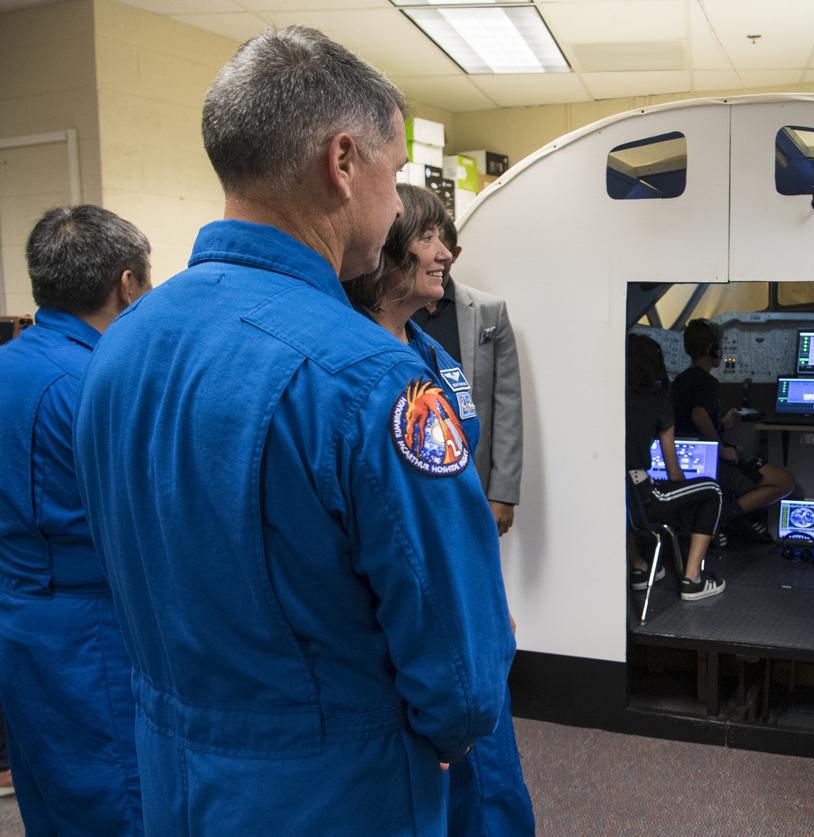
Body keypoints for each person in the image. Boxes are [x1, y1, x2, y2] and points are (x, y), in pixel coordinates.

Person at [74, 27, 513, 835]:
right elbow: (461, 675)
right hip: (336, 793)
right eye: (395, 168)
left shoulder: (120, 346)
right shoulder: (371, 381)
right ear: (343, 162)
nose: (397, 198)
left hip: (175, 779)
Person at [345, 183, 536, 837]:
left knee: (494, 790)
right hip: (419, 627)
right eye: (426, 238)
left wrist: (480, 594)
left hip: (466, 607)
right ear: (387, 249)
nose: (443, 252)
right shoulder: (363, 370)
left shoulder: (433, 358)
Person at [0, 205, 151, 834]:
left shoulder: (9, 364)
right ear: (127, 284)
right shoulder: (99, 383)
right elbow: (148, 517)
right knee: (118, 800)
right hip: (94, 633)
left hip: (19, 620)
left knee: (50, 798)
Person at [412, 216, 523, 537]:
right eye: (425, 242)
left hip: (471, 475)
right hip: (413, 475)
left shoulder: (490, 311)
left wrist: (503, 492)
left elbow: (507, 404)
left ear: (455, 253)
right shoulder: (388, 312)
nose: (439, 256)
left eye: (443, 247)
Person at [671, 318, 795, 542]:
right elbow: (698, 415)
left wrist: (724, 423)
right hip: (710, 461)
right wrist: (720, 449)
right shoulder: (706, 382)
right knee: (784, 482)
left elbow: (690, 421)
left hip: (685, 459)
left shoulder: (680, 381)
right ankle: (721, 516)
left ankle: (721, 516)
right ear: (714, 350)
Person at [627, 333, 726, 600]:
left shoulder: (610, 402)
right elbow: (673, 472)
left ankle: (638, 567)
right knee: (713, 490)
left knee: (620, 501)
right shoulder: (658, 402)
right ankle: (693, 579)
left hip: (617, 498)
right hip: (643, 494)